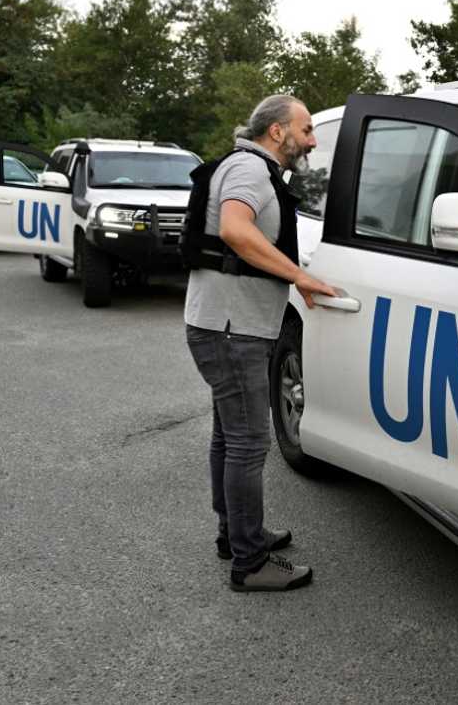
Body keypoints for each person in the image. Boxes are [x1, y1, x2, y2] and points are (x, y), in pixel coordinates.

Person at [184, 94, 336, 592]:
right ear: (277, 132)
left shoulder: (250, 167)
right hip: (232, 331)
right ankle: (249, 563)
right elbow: (233, 229)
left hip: (224, 325)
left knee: (230, 437)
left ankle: (237, 535)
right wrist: (301, 278)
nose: (311, 139)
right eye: (306, 129)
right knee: (248, 443)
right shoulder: (250, 170)